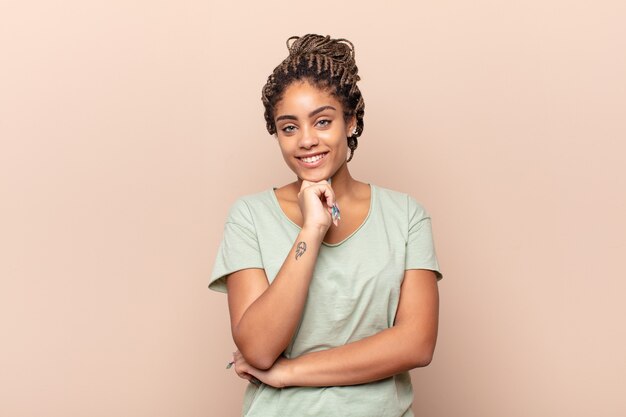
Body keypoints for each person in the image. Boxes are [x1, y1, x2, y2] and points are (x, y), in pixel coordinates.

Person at [209, 34, 443, 417]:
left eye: (322, 121)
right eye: (289, 127)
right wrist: (312, 230)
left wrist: (290, 373)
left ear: (350, 122)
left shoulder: (405, 216)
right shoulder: (249, 216)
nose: (306, 140)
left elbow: (416, 344)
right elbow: (258, 347)